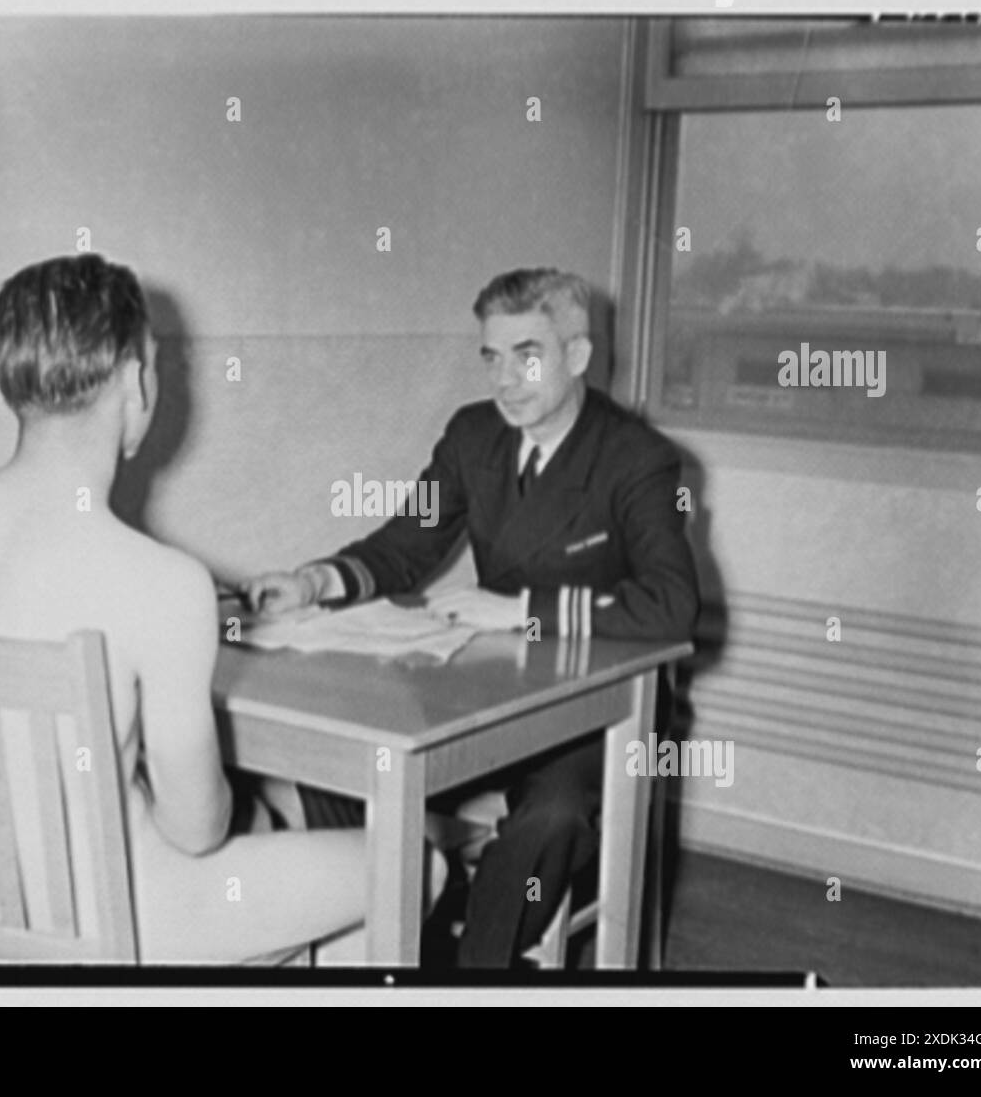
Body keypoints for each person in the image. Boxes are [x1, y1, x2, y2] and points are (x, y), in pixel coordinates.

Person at [0, 254, 364, 962]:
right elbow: (195, 829)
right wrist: (252, 808)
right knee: (412, 864)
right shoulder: (162, 582)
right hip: (125, 926)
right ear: (135, 382)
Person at [244, 267, 700, 968]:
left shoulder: (636, 457)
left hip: (594, 705)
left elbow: (672, 607)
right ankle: (401, 927)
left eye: (528, 355)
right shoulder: (473, 436)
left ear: (577, 356)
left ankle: (475, 970)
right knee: (344, 747)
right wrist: (316, 580)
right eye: (492, 356)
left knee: (551, 819)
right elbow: (409, 540)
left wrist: (521, 611)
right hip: (492, 683)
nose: (506, 379)